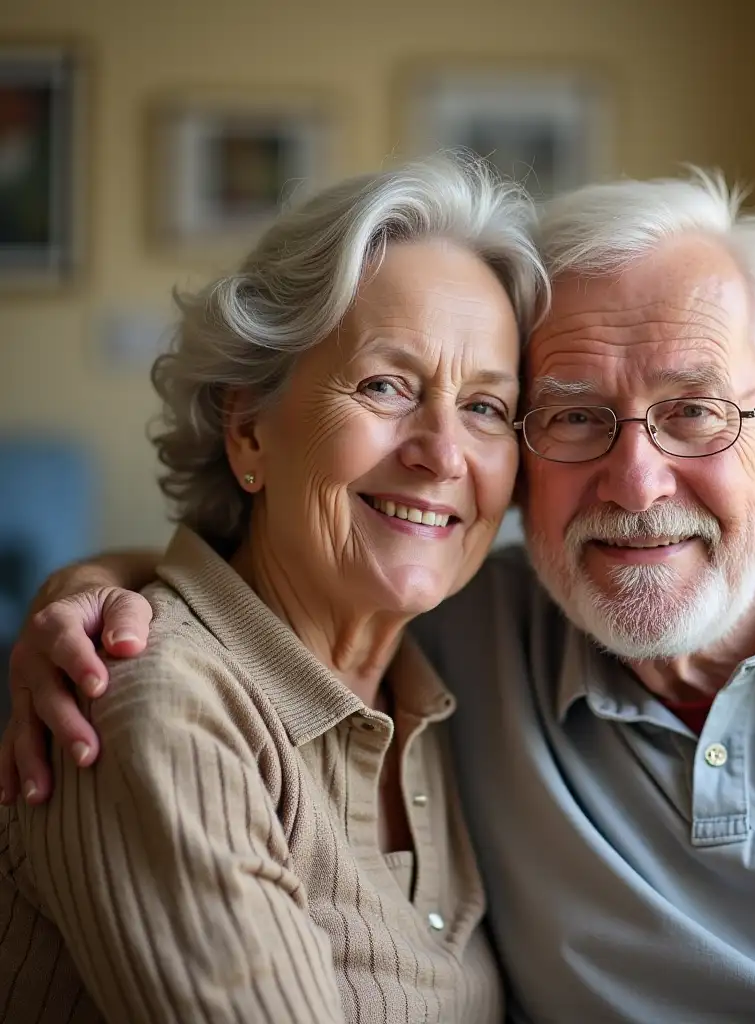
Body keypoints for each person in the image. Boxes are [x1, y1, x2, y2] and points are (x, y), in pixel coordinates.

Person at [6, 170, 755, 1024]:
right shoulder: (475, 637)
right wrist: (103, 598)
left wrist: (98, 584)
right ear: (248, 432)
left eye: (695, 411)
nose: (635, 483)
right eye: (574, 415)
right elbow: (233, 620)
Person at [0, 154, 548, 1023]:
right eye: (385, 385)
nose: (443, 453)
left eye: (485, 407)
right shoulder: (156, 709)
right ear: (249, 430)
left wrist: (104, 571)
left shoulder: (445, 671)